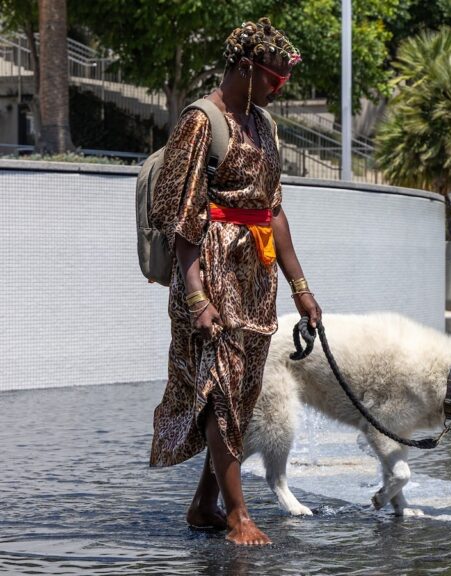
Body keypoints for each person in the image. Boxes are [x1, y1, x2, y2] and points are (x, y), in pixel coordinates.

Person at [148, 18, 321, 546]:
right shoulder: (201, 121)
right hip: (211, 274)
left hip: (256, 279)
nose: (278, 89)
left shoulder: (264, 125)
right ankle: (238, 514)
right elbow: (181, 220)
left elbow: (274, 212)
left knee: (241, 395)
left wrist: (301, 288)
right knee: (221, 388)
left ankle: (204, 502)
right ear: (245, 68)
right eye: (273, 78)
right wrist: (198, 297)